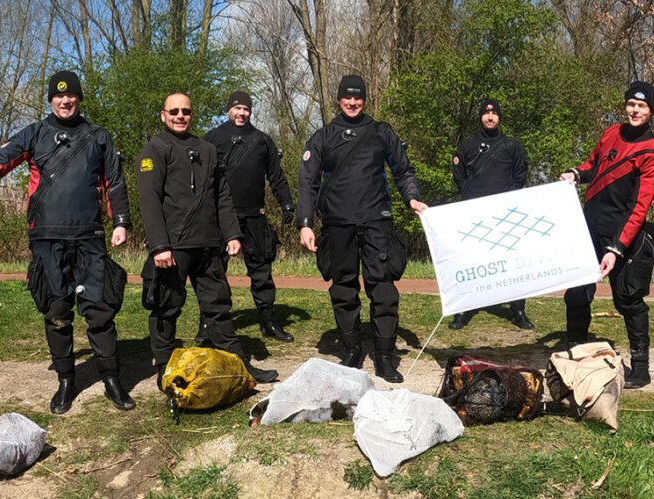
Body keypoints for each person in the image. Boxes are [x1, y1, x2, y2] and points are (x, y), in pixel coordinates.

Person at [0, 70, 135, 413]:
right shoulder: (33, 134)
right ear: (51, 99)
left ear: (79, 98)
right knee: (57, 311)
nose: (65, 100)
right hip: (46, 236)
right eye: (59, 95)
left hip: (90, 234)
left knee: (100, 310)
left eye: (71, 95)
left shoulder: (99, 137)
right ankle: (66, 381)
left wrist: (121, 222)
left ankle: (112, 379)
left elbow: (115, 181)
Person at [136, 92, 278, 388]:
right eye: (174, 111)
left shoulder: (207, 149)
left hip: (208, 244)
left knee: (218, 306)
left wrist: (232, 234)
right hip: (172, 247)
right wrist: (160, 246)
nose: (180, 116)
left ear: (192, 114)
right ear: (163, 115)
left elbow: (222, 195)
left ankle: (239, 365)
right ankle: (164, 368)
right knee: (166, 307)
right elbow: (149, 201)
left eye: (186, 111)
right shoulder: (154, 150)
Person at [298, 75, 427, 383]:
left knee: (383, 289)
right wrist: (305, 223)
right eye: (348, 97)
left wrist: (411, 197)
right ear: (338, 99)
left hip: (376, 220)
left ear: (365, 100)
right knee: (343, 288)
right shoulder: (323, 136)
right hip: (337, 223)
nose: (353, 102)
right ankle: (352, 350)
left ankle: (384, 357)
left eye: (358, 97)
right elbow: (308, 181)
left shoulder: (382, 132)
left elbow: (403, 169)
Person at [560, 81, 654, 389]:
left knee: (628, 301)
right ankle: (576, 356)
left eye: (642, 106)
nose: (635, 110)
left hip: (624, 237)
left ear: (650, 111)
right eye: (631, 104)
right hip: (589, 229)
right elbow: (593, 165)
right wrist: (575, 174)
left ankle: (641, 369)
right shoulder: (610, 133)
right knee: (577, 294)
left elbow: (639, 207)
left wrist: (616, 247)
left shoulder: (652, 153)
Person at [195, 91, 296, 345]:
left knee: (262, 272)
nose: (241, 113)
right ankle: (207, 323)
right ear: (229, 110)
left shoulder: (263, 141)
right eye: (237, 108)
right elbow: (199, 177)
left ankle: (268, 320)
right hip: (221, 216)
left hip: (254, 216)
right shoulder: (212, 139)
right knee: (213, 272)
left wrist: (286, 203)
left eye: (246, 109)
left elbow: (276, 176)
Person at [449, 99, 535, 331]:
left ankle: (518, 310)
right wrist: (470, 196)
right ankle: (462, 310)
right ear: (480, 116)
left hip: (505, 214)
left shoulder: (511, 146)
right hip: (473, 213)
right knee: (468, 261)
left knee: (513, 263)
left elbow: (520, 175)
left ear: (499, 117)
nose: (490, 117)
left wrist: (508, 201)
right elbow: (458, 175)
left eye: (494, 114)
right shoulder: (467, 145)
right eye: (486, 114)